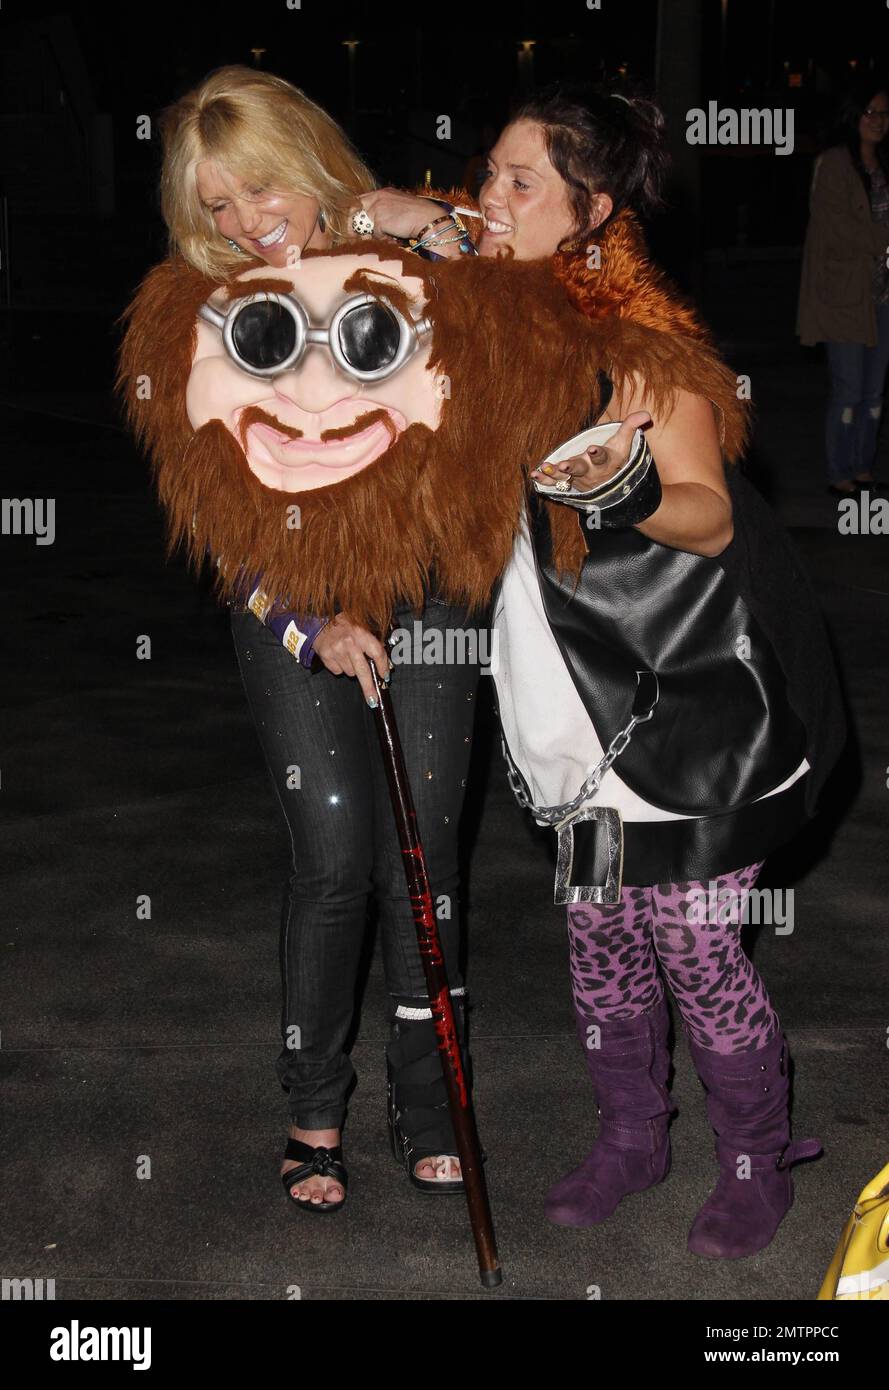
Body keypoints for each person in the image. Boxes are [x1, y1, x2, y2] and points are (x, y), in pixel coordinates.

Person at [357, 85, 847, 1259]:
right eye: (489, 173)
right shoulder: (484, 317)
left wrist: (619, 490)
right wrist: (411, 217)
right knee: (601, 941)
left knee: (692, 946)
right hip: (569, 706)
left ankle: (752, 1153)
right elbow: (385, 227)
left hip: (687, 708)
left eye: (523, 183)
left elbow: (710, 517)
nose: (492, 198)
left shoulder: (643, 346)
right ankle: (631, 1137)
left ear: (591, 213)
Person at [154, 65, 488, 1209]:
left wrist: (406, 214)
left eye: (259, 190)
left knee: (425, 857)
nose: (246, 224)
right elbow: (214, 522)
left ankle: (431, 1099)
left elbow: (529, 296)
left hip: (435, 587)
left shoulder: (403, 257)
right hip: (290, 606)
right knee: (337, 852)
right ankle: (312, 1107)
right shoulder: (195, 312)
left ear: (304, 160)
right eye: (216, 206)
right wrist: (314, 617)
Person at [797, 77, 889, 495]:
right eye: (870, 112)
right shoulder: (834, 164)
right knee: (849, 390)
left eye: (884, 113)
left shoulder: (883, 166)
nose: (878, 121)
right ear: (853, 117)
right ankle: (840, 473)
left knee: (873, 392)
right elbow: (838, 231)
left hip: (881, 298)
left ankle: (863, 467)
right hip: (844, 299)